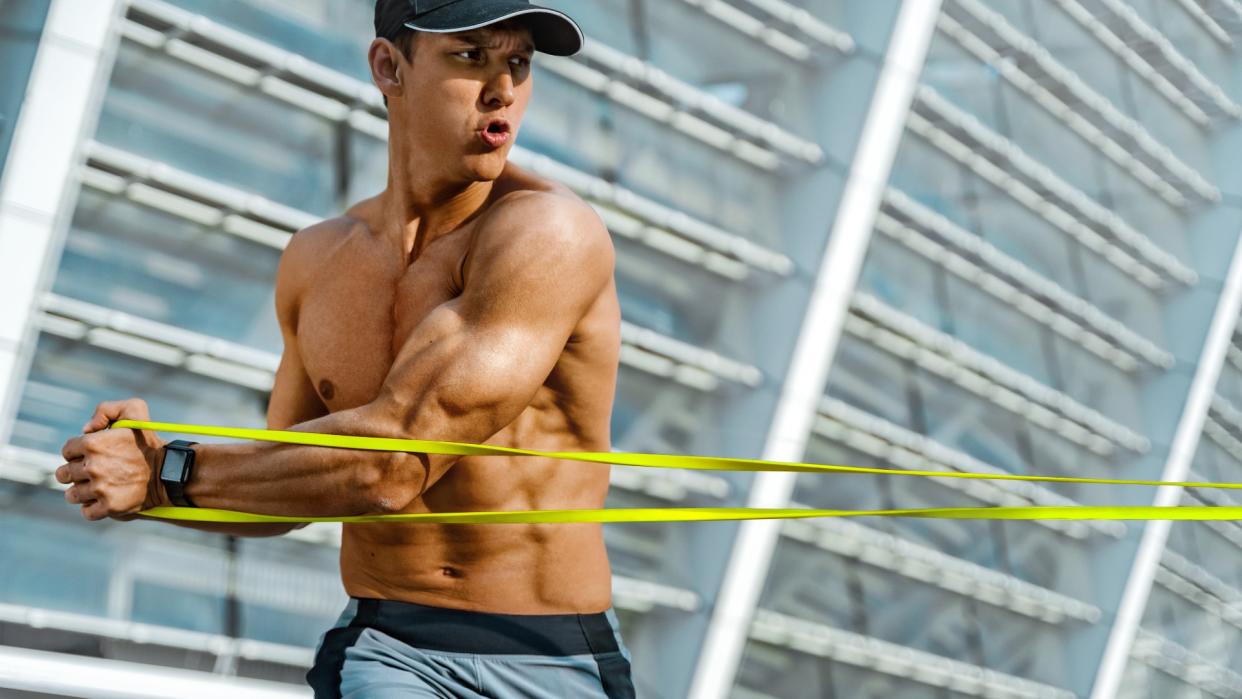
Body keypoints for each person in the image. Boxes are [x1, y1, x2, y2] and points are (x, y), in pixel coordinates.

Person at [54, 0, 635, 696]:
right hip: (388, 647)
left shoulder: (549, 235)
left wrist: (167, 473)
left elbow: (391, 465)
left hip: (547, 654)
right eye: (470, 55)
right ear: (389, 67)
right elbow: (290, 487)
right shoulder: (317, 260)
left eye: (517, 63)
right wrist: (144, 476)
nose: (502, 87)